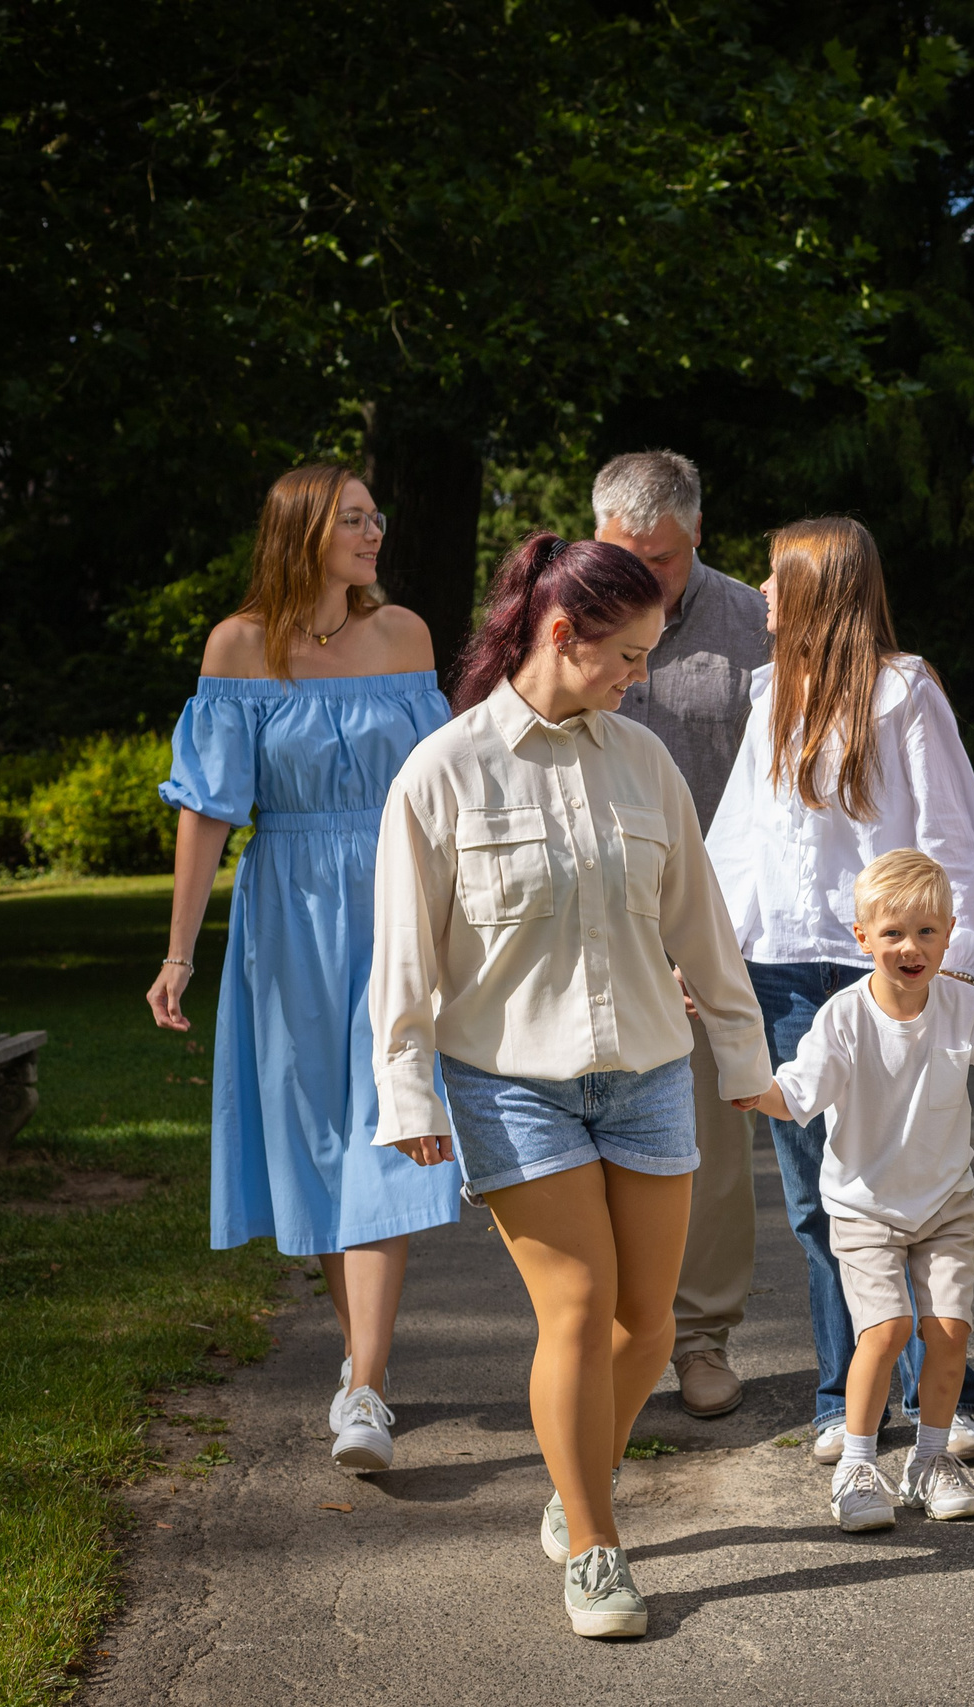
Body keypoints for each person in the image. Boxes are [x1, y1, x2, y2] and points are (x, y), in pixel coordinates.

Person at [369, 533, 772, 1641]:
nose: (638, 676)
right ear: (560, 634)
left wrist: (743, 1059)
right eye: (627, 655)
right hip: (510, 1084)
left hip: (647, 1072)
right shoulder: (442, 772)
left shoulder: (642, 763)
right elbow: (403, 957)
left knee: (647, 1329)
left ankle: (571, 1478)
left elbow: (702, 925)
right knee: (579, 1311)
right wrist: (405, 1093)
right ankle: (596, 1547)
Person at [147, 463, 460, 1476]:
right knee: (321, 1143)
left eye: (378, 514)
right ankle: (358, 1365)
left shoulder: (405, 635)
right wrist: (178, 952)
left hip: (395, 905)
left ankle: (366, 1385)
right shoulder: (238, 648)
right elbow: (206, 811)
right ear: (302, 531)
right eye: (354, 518)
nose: (376, 531)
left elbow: (444, 791)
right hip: (284, 912)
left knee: (390, 1128)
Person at [706, 517, 974, 1464]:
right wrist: (706, 951)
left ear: (821, 590)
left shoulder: (905, 695)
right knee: (818, 1196)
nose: (761, 592)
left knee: (912, 1176)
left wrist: (951, 960)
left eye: (776, 577)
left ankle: (941, 1398)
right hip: (787, 971)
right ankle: (844, 1400)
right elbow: (741, 838)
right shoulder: (769, 694)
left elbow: (953, 832)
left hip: (890, 967)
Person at [738, 850, 974, 1532]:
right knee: (885, 1330)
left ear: (950, 932)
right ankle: (856, 1461)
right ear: (863, 937)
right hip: (864, 1205)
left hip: (944, 1204)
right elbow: (795, 1094)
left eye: (927, 932)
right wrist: (749, 1091)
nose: (911, 948)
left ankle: (929, 1459)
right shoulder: (844, 1018)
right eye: (893, 933)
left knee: (948, 1331)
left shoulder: (963, 1007)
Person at [591, 449, 772, 1420]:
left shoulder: (755, 625)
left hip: (706, 923)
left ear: (699, 534)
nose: (640, 577)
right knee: (583, 1140)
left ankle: (702, 1337)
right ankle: (606, 1337)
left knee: (707, 1145)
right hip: (582, 923)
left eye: (661, 560)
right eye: (623, 554)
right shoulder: (561, 613)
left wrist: (716, 938)